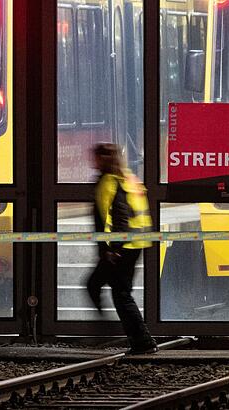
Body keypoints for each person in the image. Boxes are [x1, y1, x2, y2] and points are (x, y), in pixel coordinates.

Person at [87, 143, 158, 354]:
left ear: (102, 159)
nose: (93, 161)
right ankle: (108, 327)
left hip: (122, 247)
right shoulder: (128, 177)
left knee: (119, 293)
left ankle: (142, 341)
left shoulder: (109, 181)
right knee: (97, 284)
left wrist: (113, 248)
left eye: (96, 157)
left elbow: (115, 215)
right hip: (135, 243)